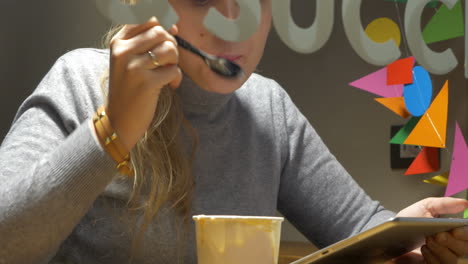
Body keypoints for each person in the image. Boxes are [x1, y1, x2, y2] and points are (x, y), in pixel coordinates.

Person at [0, 0, 467, 263]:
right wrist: (112, 132)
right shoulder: (80, 80)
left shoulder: (269, 109)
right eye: (204, 0)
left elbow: (359, 230)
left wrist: (411, 235)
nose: (233, 30)